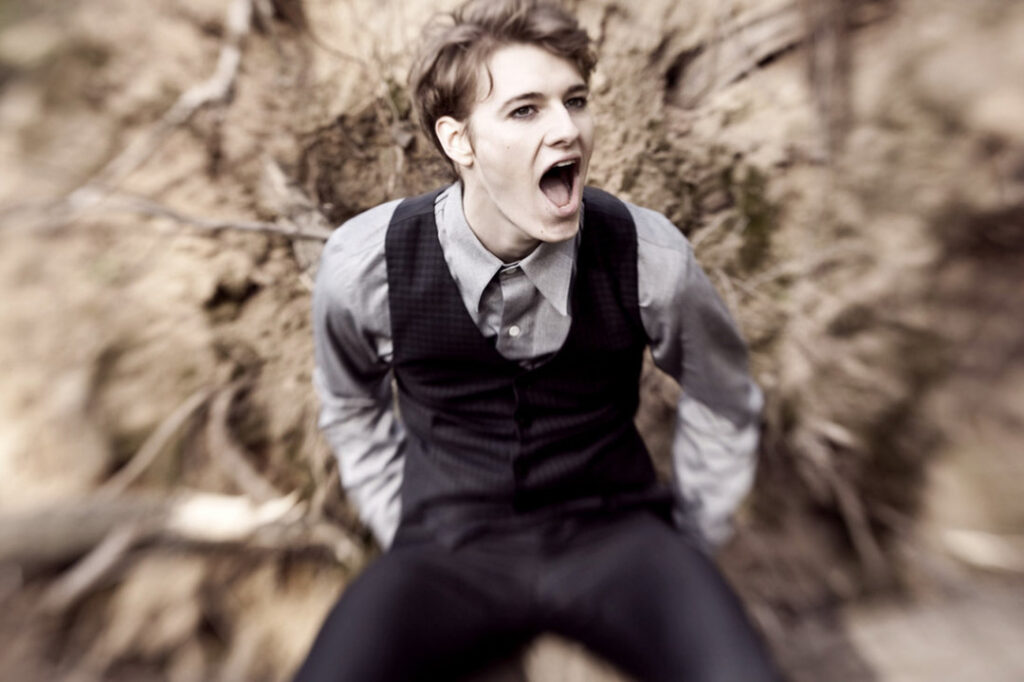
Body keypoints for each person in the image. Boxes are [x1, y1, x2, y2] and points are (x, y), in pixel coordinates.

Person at [295, 1, 780, 680]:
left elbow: (720, 393)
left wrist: (689, 542)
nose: (567, 130)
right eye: (525, 110)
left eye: (574, 101)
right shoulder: (364, 266)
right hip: (448, 548)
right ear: (459, 141)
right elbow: (351, 406)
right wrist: (399, 521)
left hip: (617, 540)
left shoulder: (650, 257)